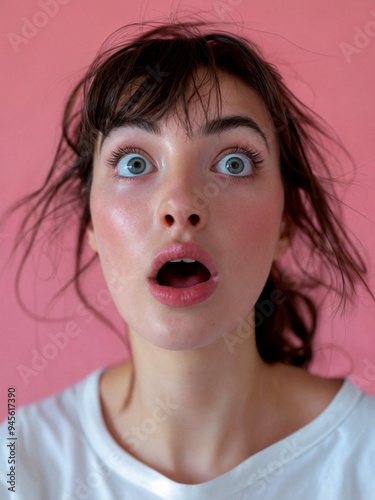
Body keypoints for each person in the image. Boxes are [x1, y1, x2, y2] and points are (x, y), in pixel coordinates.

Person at [1, 19, 375, 500]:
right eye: (135, 163)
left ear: (286, 223)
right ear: (91, 222)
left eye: (233, 162)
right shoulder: (17, 463)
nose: (180, 204)